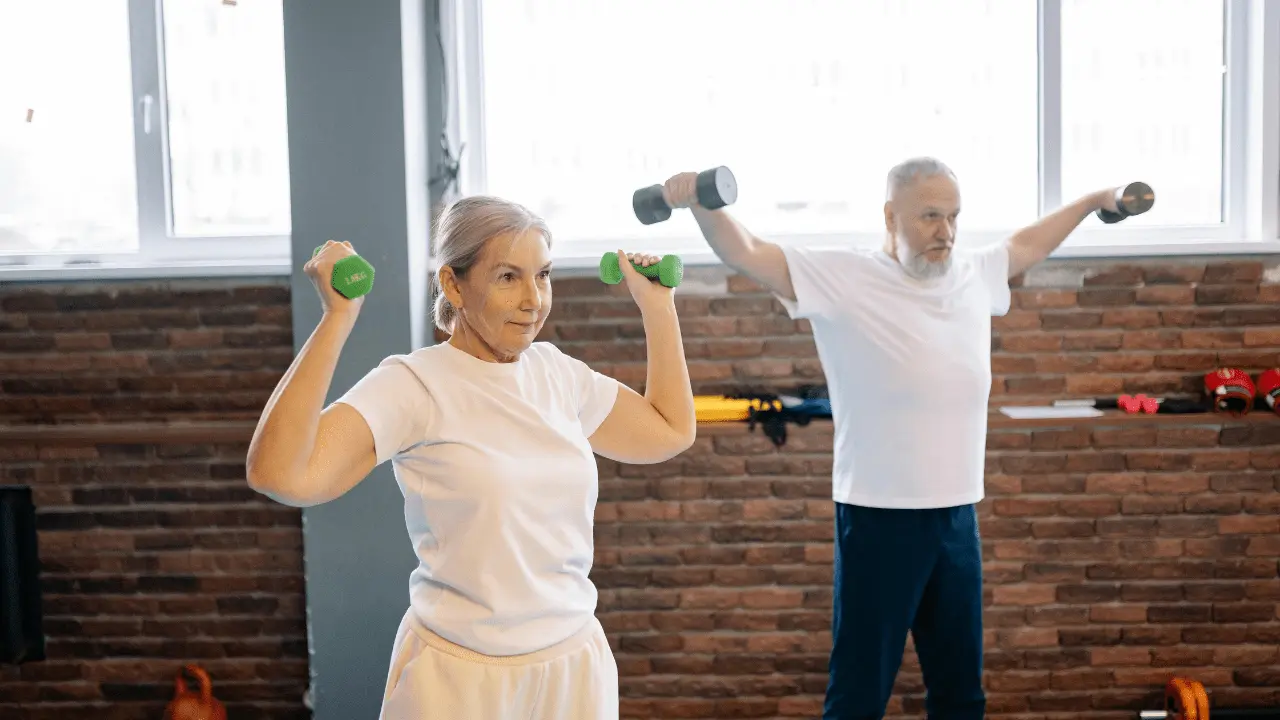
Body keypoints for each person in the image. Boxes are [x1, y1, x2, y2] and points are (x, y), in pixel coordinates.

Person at [660, 157, 1129, 720]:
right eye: (930, 216)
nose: (946, 232)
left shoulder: (973, 273)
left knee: (961, 694)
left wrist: (1093, 199)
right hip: (878, 517)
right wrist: (702, 203)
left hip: (957, 517)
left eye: (954, 217)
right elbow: (747, 253)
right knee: (859, 695)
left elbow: (1027, 245)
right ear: (890, 216)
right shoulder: (843, 276)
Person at [245, 195, 697, 720]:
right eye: (508, 277)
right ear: (453, 285)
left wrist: (658, 306)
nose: (534, 300)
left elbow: (669, 431)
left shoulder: (556, 373)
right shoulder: (414, 384)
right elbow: (280, 473)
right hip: (460, 680)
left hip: (573, 668)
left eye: (543, 275)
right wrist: (337, 317)